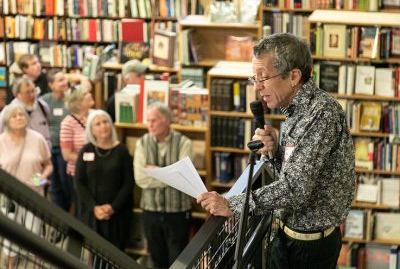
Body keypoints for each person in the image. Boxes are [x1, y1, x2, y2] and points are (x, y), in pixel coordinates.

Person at [197, 33, 355, 269]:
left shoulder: (321, 113)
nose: (257, 86)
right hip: (286, 233)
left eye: (263, 77)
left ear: (293, 76)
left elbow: (296, 189)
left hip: (311, 247)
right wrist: (276, 153)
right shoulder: (293, 110)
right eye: (255, 78)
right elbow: (293, 175)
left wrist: (232, 204)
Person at [134, 102, 192, 269]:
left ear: (167, 120)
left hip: (178, 213)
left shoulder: (184, 143)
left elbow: (182, 179)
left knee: (179, 261)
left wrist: (153, 170)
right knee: (156, 260)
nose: (149, 124)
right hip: (150, 212)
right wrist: (170, 174)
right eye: (148, 120)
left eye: (154, 120)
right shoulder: (142, 143)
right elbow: (140, 179)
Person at [0, 104, 52, 269]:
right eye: (14, 116)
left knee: (35, 234)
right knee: (11, 237)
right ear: (7, 120)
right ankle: (10, 266)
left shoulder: (37, 138)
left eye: (21, 115)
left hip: (34, 194)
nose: (19, 118)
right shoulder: (1, 141)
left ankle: (37, 266)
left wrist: (41, 178)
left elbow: (48, 165)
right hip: (10, 198)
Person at [75, 110, 133, 249]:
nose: (103, 126)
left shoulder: (121, 151)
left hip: (118, 214)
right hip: (92, 213)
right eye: (98, 124)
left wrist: (112, 208)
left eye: (106, 122)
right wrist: (94, 207)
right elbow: (79, 182)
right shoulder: (86, 150)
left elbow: (129, 182)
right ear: (91, 130)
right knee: (94, 255)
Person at [60, 85, 95, 217]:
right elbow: (66, 155)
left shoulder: (95, 115)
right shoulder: (68, 123)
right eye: (86, 93)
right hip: (78, 173)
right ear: (78, 102)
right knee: (82, 210)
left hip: (97, 172)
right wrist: (89, 160)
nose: (90, 94)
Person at [40, 69, 70, 212]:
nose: (64, 83)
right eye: (60, 80)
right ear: (51, 85)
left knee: (66, 182)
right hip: (50, 148)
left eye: (64, 79)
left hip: (67, 149)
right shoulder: (44, 101)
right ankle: (60, 215)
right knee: (54, 184)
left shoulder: (71, 98)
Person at [0, 76, 51, 149]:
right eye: (27, 92)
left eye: (33, 91)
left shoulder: (43, 106)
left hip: (42, 154)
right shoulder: (7, 112)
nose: (32, 95)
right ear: (16, 94)